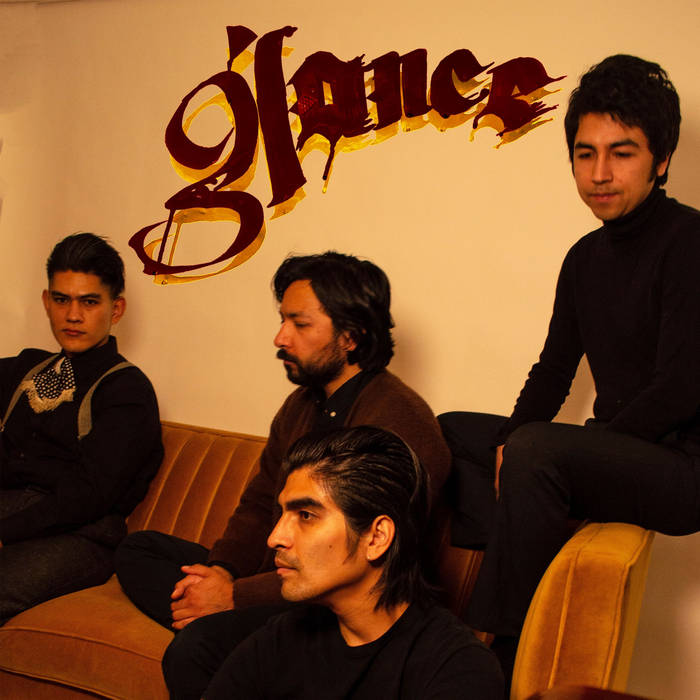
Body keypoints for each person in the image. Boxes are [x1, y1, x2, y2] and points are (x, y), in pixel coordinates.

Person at [462, 54, 700, 689]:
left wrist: (575, 449)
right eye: (584, 154)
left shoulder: (689, 241)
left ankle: (499, 653)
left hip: (684, 468)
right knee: (453, 431)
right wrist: (507, 441)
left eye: (622, 153)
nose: (599, 174)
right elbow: (553, 371)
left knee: (538, 450)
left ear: (661, 159)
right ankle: (418, 602)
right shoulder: (583, 258)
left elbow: (681, 387)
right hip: (619, 449)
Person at [115, 251, 451, 700]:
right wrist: (220, 573)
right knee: (138, 548)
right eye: (282, 320)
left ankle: (213, 621)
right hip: (283, 578)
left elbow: (362, 563)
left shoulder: (397, 420)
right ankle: (206, 609)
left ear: (350, 336)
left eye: (300, 324)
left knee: (195, 648)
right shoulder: (300, 405)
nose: (280, 337)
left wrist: (236, 597)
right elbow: (259, 504)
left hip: (339, 603)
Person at [204, 426, 503, 699]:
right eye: (282, 514)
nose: (274, 538)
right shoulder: (281, 637)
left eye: (306, 515)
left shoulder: (457, 669)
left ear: (376, 537)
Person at [0, 232, 163, 623]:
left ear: (116, 308)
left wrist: (4, 532)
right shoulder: (27, 367)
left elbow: (87, 497)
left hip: (80, 534)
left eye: (89, 302)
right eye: (62, 300)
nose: (73, 316)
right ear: (47, 301)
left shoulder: (126, 390)